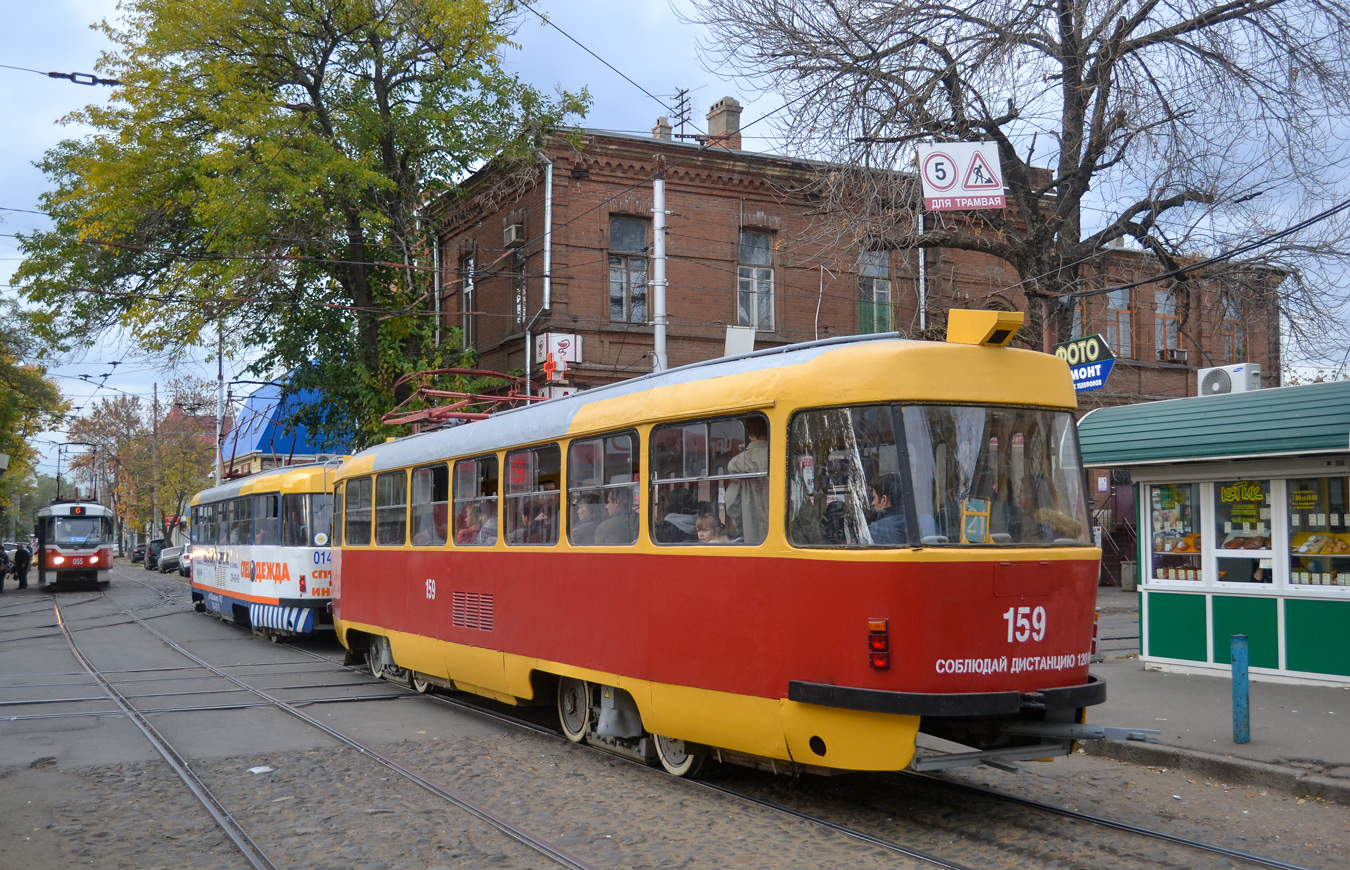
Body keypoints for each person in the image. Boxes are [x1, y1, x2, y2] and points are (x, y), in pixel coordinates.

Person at [724, 417, 770, 544]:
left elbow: (732, 504)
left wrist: (745, 528)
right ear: (768, 430)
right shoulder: (785, 458)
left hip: (753, 540)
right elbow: (801, 505)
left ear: (748, 433)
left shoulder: (737, 463)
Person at [867, 471, 908, 545]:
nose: (873, 503)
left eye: (874, 498)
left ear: (884, 500)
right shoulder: (919, 523)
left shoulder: (874, 531)